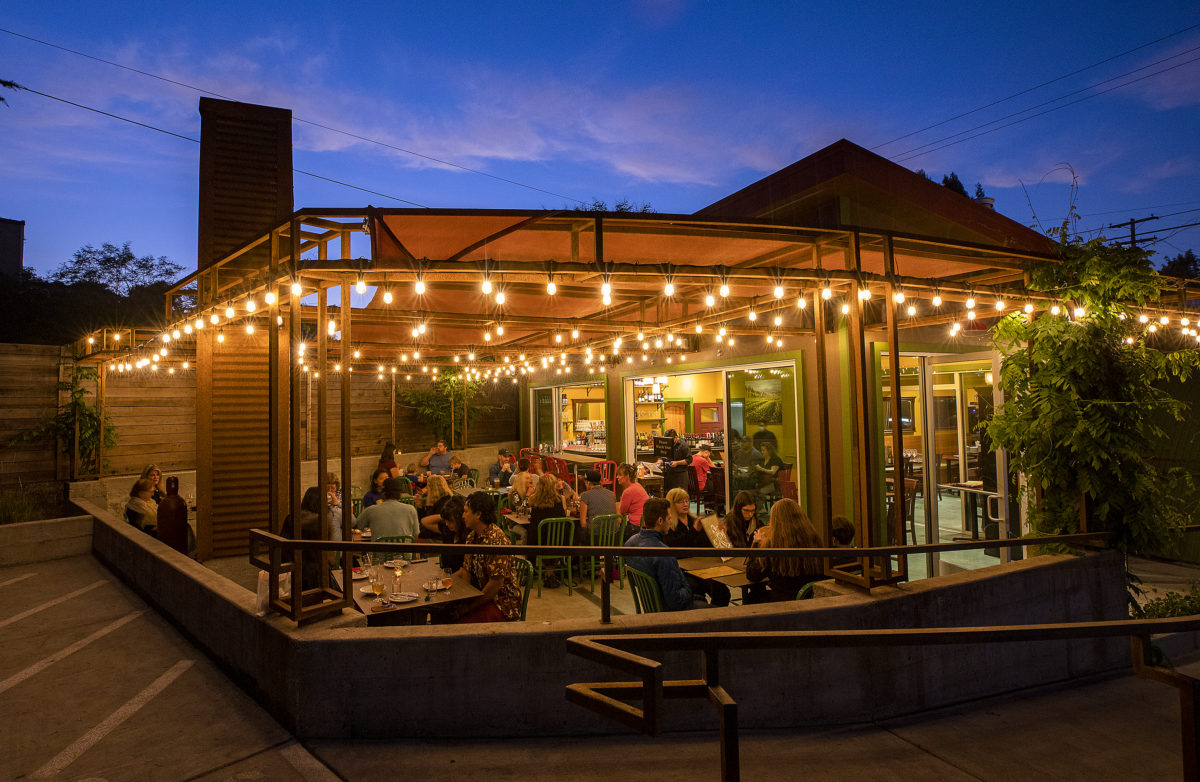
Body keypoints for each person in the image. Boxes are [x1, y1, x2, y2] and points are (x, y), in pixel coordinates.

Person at [624, 498, 709, 611]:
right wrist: (688, 589)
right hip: (669, 611)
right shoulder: (663, 553)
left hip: (651, 606)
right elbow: (676, 601)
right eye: (669, 518)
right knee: (721, 613)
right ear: (660, 521)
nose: (670, 521)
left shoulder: (630, 544)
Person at [452, 492, 522, 623]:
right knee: (449, 611)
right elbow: (466, 572)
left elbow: (495, 585)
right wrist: (463, 600)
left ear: (478, 514)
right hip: (483, 596)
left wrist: (468, 608)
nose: (463, 516)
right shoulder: (472, 536)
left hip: (503, 604)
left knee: (461, 623)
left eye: (466, 512)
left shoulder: (496, 540)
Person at [744, 498, 824, 602]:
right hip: (810, 599)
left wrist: (756, 544)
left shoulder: (772, 545)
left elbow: (752, 575)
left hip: (782, 603)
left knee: (752, 597)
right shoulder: (814, 538)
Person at [664, 487, 730, 606]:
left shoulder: (694, 520)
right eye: (680, 502)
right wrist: (694, 531)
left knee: (723, 591)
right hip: (683, 570)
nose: (685, 504)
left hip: (702, 566)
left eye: (687, 501)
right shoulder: (669, 525)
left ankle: (717, 617)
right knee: (696, 591)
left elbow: (707, 545)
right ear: (672, 505)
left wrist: (718, 533)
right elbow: (677, 546)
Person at [355, 477, 419, 541]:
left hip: (379, 550)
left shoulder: (371, 510)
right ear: (399, 494)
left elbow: (357, 526)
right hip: (404, 550)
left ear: (383, 493)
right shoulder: (411, 509)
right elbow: (416, 535)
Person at [424, 494, 468, 572]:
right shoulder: (447, 530)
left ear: (460, 519)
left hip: (459, 579)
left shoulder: (468, 536)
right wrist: (445, 515)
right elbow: (425, 521)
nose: (447, 524)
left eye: (450, 521)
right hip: (446, 575)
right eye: (446, 521)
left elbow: (465, 570)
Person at [658, 429, 692, 493]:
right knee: (670, 494)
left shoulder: (683, 445)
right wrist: (660, 460)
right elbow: (663, 455)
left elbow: (689, 460)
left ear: (676, 438)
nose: (668, 442)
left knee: (680, 495)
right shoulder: (667, 444)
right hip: (669, 473)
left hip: (680, 475)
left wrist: (677, 463)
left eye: (670, 440)